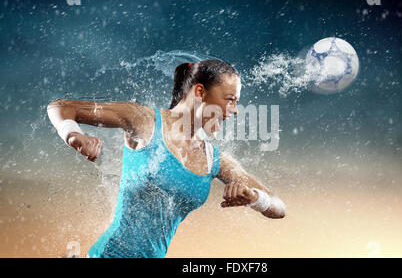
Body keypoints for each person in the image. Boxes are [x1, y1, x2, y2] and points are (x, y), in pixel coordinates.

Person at [47, 59, 286, 258]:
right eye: (230, 99)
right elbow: (60, 107)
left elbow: (278, 208)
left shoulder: (215, 160)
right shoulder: (145, 122)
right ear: (200, 92)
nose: (234, 110)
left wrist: (255, 198)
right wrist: (74, 136)